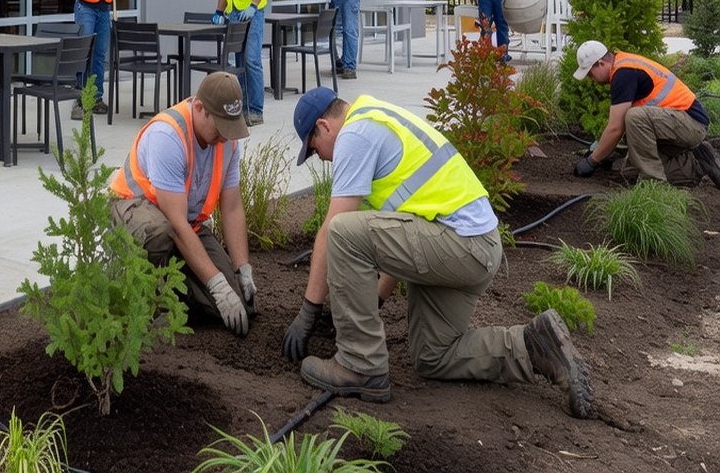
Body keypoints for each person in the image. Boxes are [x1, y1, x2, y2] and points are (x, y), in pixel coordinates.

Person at [282, 86, 594, 417]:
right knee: (434, 355)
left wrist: (308, 312)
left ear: (324, 126)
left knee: (342, 231)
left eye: (314, 149)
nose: (322, 158)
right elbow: (402, 232)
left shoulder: (355, 134)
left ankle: (359, 364)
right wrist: (372, 301)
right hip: (472, 247)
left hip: (460, 244)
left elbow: (333, 230)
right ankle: (535, 346)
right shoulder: (379, 119)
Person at [109, 72, 255, 335]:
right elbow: (175, 225)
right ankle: (144, 301)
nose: (225, 136)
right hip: (136, 213)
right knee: (160, 234)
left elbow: (232, 208)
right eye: (220, 127)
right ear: (199, 108)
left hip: (186, 223)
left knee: (236, 305)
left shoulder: (228, 141)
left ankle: (174, 289)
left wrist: (241, 269)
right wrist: (215, 283)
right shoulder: (168, 135)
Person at [572, 41, 720, 187]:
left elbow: (616, 128)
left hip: (692, 123)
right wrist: (602, 152)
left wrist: (592, 161)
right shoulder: (622, 65)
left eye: (590, 73)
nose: (590, 78)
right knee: (631, 171)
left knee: (634, 117)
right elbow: (624, 129)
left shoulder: (623, 73)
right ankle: (697, 164)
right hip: (674, 125)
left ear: (601, 63)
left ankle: (652, 182)